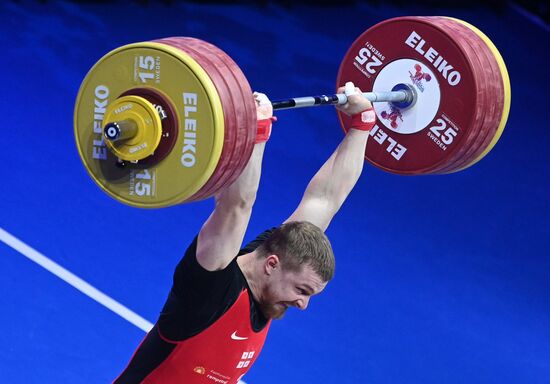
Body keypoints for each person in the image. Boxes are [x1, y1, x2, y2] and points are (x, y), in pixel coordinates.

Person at [114, 82, 375, 384]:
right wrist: (255, 131)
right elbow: (236, 206)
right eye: (302, 291)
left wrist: (362, 124)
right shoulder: (209, 287)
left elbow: (326, 200)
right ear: (271, 264)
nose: (303, 305)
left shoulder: (279, 266)